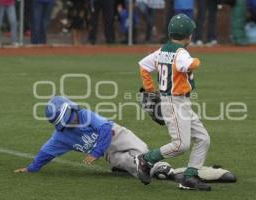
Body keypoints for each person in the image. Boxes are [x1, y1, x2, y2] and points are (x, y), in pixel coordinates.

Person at [14, 96, 236, 184]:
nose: (71, 119)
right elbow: (46, 152)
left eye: (70, 113)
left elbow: (104, 130)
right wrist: (31, 168)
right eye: (65, 119)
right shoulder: (61, 137)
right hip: (108, 153)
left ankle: (155, 166)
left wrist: (93, 153)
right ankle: (168, 171)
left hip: (118, 135)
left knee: (141, 152)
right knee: (131, 163)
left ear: (73, 108)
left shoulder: (85, 115)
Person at [135, 14, 211, 191]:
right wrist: (196, 61)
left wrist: (149, 88)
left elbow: (143, 65)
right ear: (188, 36)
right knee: (180, 145)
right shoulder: (181, 53)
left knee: (203, 138)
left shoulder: (162, 51)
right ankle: (145, 160)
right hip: (174, 101)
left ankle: (190, 177)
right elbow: (189, 65)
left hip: (178, 102)